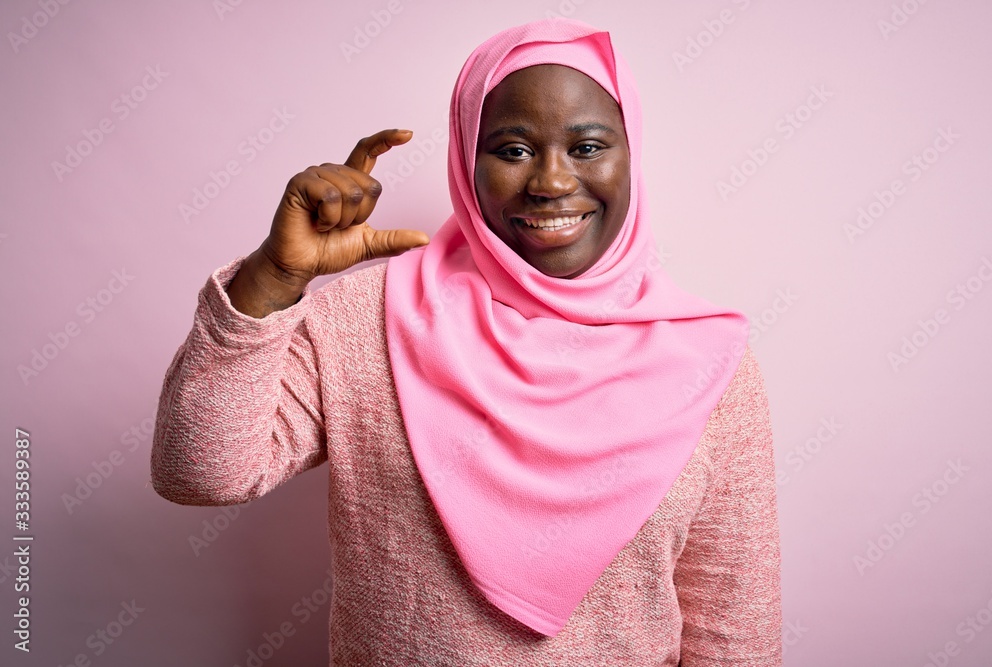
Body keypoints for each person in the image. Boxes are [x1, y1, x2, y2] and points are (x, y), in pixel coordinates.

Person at [151, 17, 782, 666]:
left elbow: (733, 636)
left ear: (632, 152)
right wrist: (273, 278)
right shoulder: (364, 319)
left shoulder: (708, 364)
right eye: (512, 149)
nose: (552, 182)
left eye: (588, 146)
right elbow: (201, 471)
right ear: (465, 158)